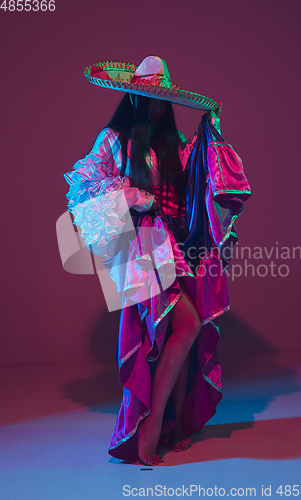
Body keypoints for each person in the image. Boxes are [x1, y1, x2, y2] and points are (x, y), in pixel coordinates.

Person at [64, 56, 251, 466]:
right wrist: (134, 196)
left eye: (161, 99)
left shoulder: (175, 144)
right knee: (183, 323)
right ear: (132, 95)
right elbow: (85, 190)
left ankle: (172, 424)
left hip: (180, 245)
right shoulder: (114, 139)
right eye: (148, 97)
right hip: (145, 246)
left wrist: (211, 129)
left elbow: (200, 177)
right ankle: (147, 427)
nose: (155, 105)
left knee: (179, 332)